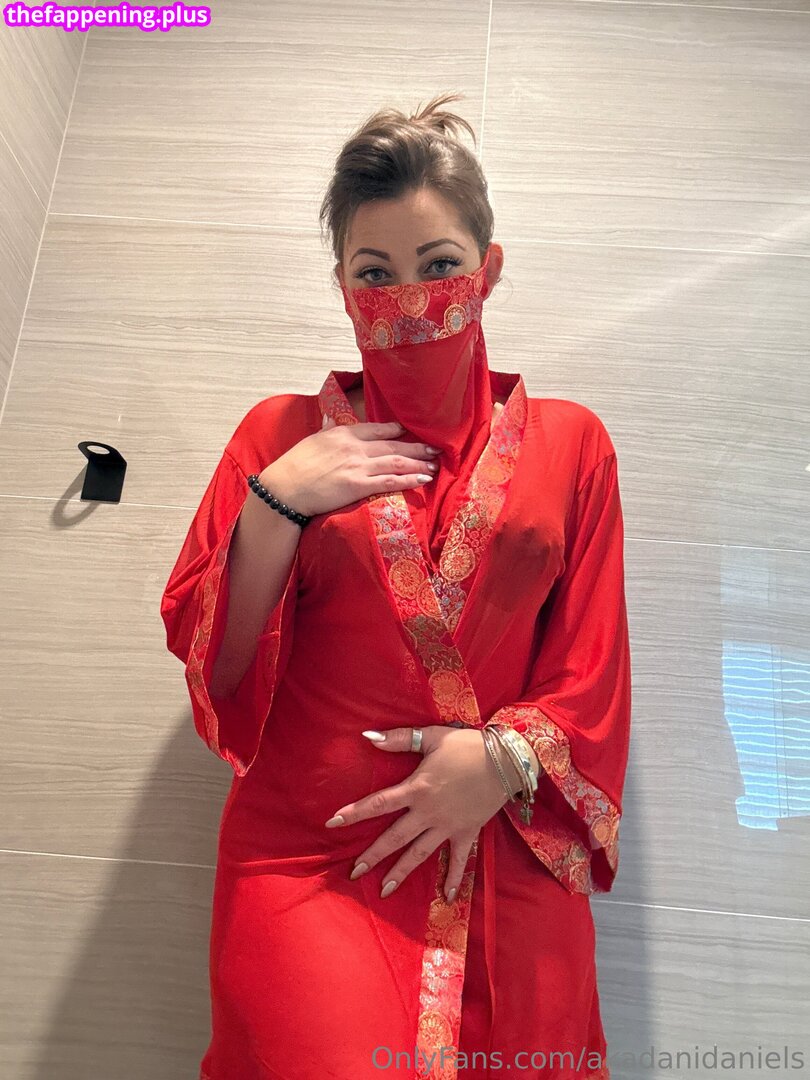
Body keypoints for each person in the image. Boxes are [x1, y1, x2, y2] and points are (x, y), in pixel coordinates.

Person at [160, 91, 631, 1080]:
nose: (408, 300)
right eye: (375, 274)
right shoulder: (277, 436)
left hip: (502, 837)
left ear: (488, 271)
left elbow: (594, 664)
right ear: (342, 286)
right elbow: (223, 670)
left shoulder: (574, 444)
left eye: (440, 266)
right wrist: (276, 505)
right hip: (311, 854)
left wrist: (498, 762)